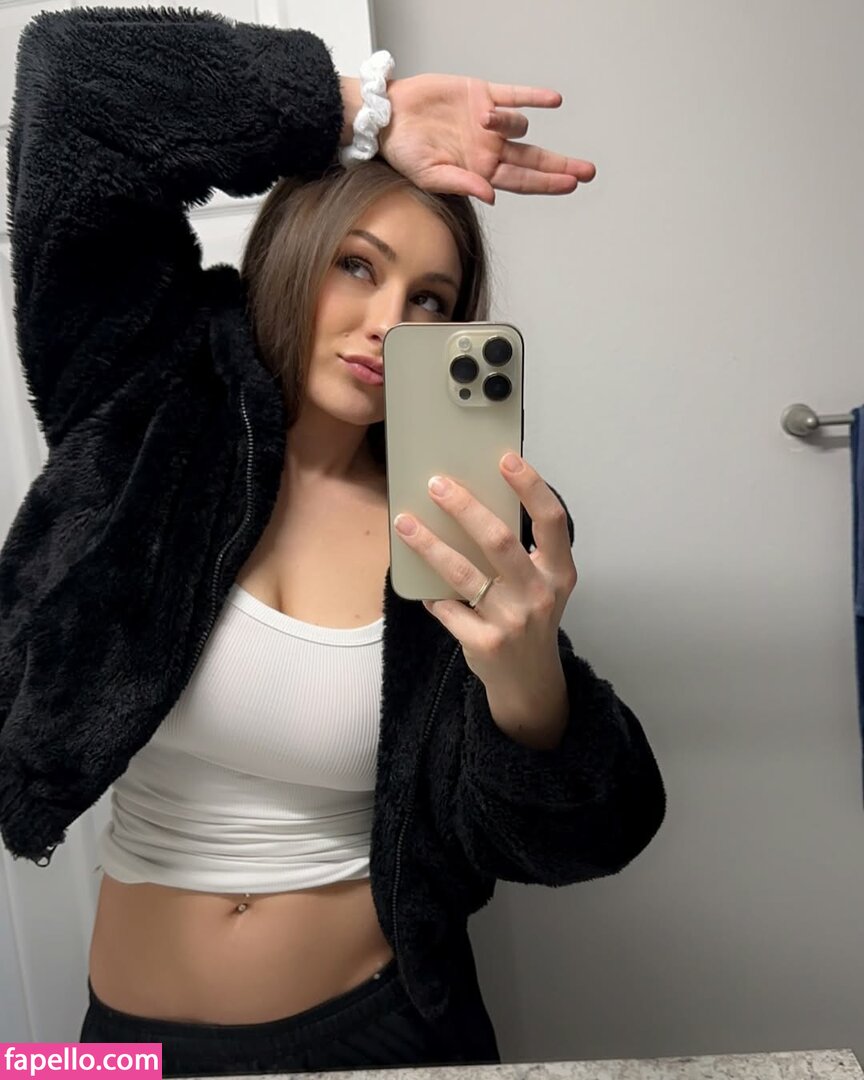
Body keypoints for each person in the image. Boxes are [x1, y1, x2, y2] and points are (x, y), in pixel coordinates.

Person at [0, 6, 666, 1077]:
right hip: (121, 1051)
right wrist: (363, 112)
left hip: (390, 1031)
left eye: (429, 299)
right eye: (359, 266)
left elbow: (592, 834)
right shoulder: (147, 401)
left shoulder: (456, 525)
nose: (389, 322)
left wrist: (529, 676)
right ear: (294, 252)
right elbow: (71, 81)